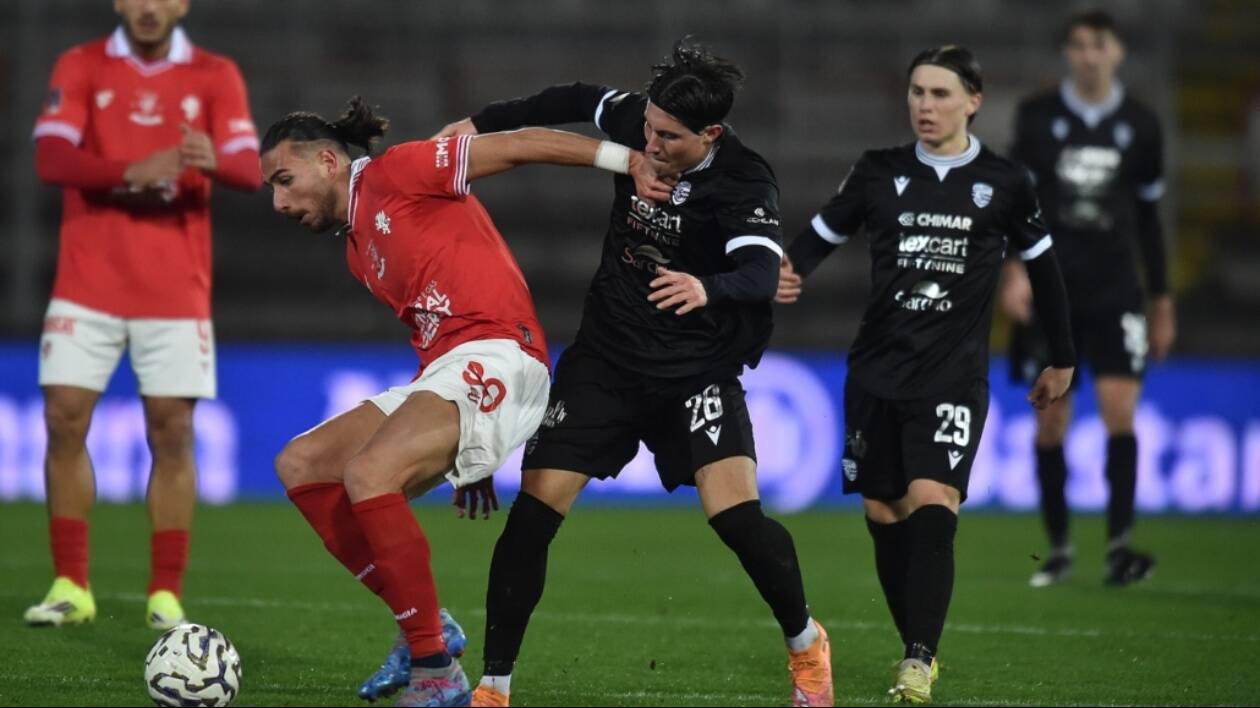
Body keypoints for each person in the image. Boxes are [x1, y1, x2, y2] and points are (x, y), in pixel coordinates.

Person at [432, 39, 834, 708]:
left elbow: (762, 273)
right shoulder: (637, 122)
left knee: (737, 520)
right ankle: (494, 688)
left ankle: (806, 644)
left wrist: (706, 287)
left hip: (694, 370)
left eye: (668, 137)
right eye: (648, 127)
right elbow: (565, 99)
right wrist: (478, 124)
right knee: (532, 517)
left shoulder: (744, 180)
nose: (651, 143)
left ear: (710, 135)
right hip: (607, 360)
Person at [262, 97, 670, 707]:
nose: (278, 202)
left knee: (369, 474)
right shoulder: (358, 250)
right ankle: (424, 627)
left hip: (503, 352)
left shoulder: (399, 172)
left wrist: (626, 160)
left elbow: (519, 145)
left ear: (326, 161)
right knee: (301, 464)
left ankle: (433, 668)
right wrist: (462, 443)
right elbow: (434, 335)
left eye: (283, 180)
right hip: (450, 370)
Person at [777, 46, 1075, 704]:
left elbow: (1045, 269)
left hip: (953, 374)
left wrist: (1063, 357)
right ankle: (917, 642)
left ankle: (917, 658)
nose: (925, 105)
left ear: (973, 101)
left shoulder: (1005, 181)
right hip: (876, 371)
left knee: (935, 497)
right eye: (917, 92)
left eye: (940, 94)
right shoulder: (879, 170)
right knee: (884, 509)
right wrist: (787, 269)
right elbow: (821, 234)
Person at [25, 0, 260, 630]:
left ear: (182, 4)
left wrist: (212, 158)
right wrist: (132, 171)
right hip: (87, 282)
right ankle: (71, 584)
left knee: (173, 433)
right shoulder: (82, 65)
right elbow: (51, 159)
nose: (150, 6)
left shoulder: (215, 74)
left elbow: (248, 167)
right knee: (63, 419)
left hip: (175, 289)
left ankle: (165, 594)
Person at [1000, 9, 1173, 588]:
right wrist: (1015, 270)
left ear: (1117, 51)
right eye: (1078, 45)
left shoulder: (1142, 124)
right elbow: (1016, 204)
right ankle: (1059, 549)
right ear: (1067, 53)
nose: (1088, 55)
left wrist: (1162, 299)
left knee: (1120, 412)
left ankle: (1119, 545)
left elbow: (1149, 218)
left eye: (1098, 44)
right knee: (1051, 423)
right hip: (1052, 289)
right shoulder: (1036, 117)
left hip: (1117, 288)